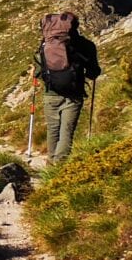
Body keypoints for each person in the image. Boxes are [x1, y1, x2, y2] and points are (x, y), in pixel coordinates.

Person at [34, 11, 101, 164]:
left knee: (53, 130)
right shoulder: (86, 45)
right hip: (74, 94)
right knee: (67, 132)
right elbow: (93, 73)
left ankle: (51, 165)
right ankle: (59, 167)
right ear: (75, 26)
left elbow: (38, 73)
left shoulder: (45, 44)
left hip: (51, 94)